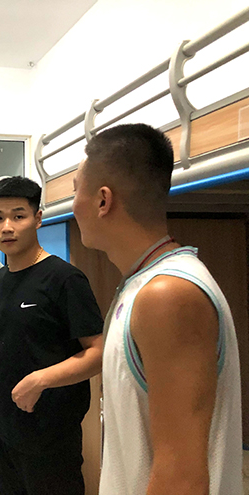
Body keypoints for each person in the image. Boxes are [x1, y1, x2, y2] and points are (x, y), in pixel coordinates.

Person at [72, 123, 242, 494]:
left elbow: (181, 477)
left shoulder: (167, 295)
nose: (73, 205)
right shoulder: (140, 286)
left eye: (75, 190)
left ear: (103, 201)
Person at [0, 176, 104, 495]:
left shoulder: (64, 279)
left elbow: (99, 352)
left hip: (51, 435)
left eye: (18, 216)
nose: (6, 227)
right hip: (5, 428)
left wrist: (41, 380)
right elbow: (9, 334)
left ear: (38, 218)